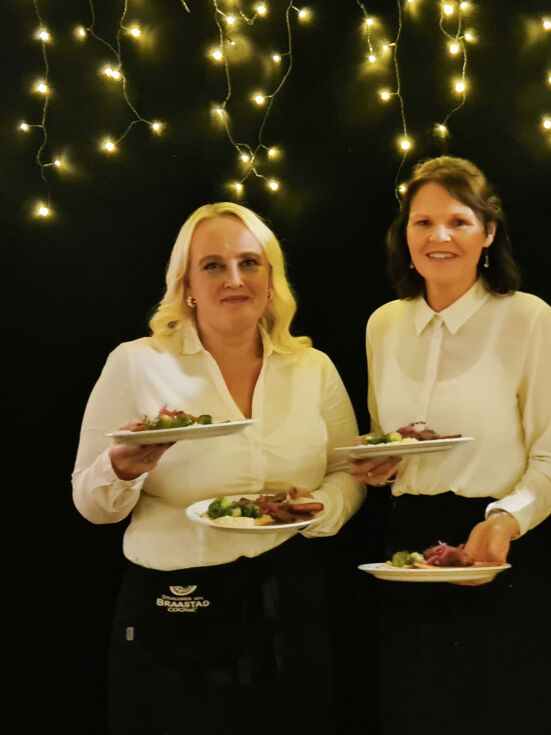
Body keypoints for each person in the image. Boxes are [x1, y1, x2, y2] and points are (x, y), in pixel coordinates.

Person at [72, 202, 364, 734]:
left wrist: (325, 507)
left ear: (271, 278)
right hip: (174, 610)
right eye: (213, 265)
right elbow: (91, 505)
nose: (234, 278)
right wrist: (120, 467)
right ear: (185, 283)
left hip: (287, 601)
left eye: (250, 262)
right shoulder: (137, 364)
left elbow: (347, 470)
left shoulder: (312, 367)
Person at [349, 156, 551, 735]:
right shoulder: (382, 325)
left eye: (457, 221)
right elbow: (388, 445)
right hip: (407, 548)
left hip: (503, 544)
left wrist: (503, 524)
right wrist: (376, 466)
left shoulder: (528, 319)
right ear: (405, 236)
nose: (439, 237)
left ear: (489, 233)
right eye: (422, 223)